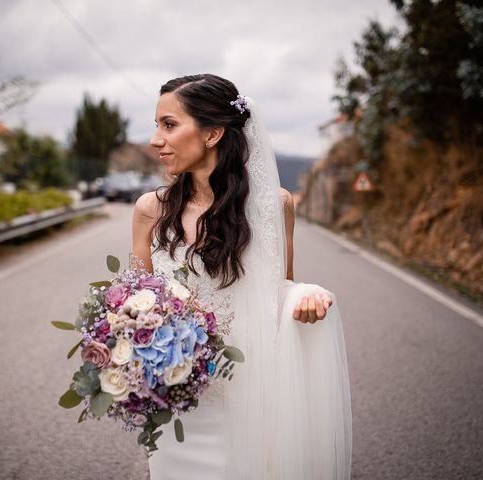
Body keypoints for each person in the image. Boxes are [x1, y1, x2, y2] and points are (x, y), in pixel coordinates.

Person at [131, 74, 352, 479]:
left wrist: (307, 295)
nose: (155, 140)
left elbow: (279, 289)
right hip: (179, 398)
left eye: (169, 124)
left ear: (213, 132)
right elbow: (135, 302)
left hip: (252, 390)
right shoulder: (150, 210)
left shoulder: (275, 206)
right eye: (156, 125)